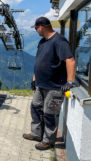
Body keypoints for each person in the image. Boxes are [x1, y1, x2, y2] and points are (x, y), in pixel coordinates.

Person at [23, 17, 76, 150]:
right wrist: (35, 78)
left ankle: (48, 140)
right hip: (41, 84)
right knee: (35, 107)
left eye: (36, 28)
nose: (36, 31)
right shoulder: (42, 41)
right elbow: (39, 61)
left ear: (41, 27)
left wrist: (70, 82)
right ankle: (36, 134)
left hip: (54, 86)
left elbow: (70, 61)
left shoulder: (59, 41)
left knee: (49, 113)